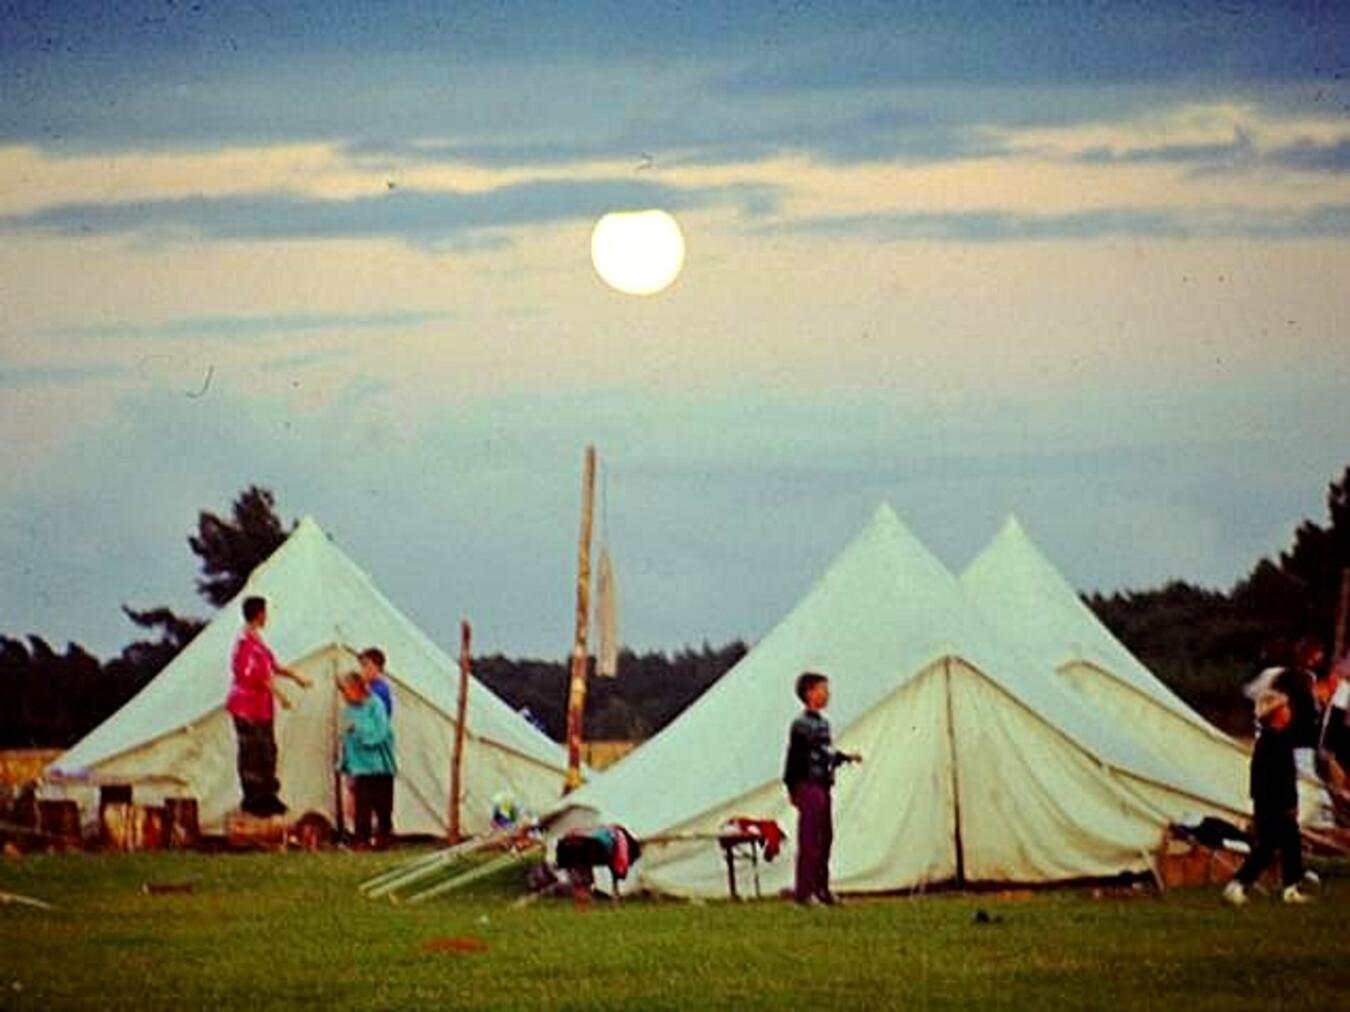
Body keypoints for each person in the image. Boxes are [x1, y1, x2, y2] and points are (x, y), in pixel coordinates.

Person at [1223, 689, 1312, 906]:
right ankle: (1239, 883)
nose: (1289, 712)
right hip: (1276, 804)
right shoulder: (1276, 742)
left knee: (1287, 843)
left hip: (1268, 803)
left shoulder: (1270, 741)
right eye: (1286, 708)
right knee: (1269, 847)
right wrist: (1289, 803)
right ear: (1277, 714)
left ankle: (1290, 885)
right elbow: (1282, 778)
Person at [226, 595, 311, 817]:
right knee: (252, 752)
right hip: (247, 706)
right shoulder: (245, 643)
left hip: (261, 708)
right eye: (265, 612)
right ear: (259, 614)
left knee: (267, 751)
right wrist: (281, 695)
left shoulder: (257, 641)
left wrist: (296, 677)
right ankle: (254, 800)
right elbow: (255, 676)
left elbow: (272, 666)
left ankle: (268, 796)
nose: (267, 616)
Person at [782, 671, 861, 906]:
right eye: (822, 689)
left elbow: (824, 753)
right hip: (807, 784)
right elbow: (806, 754)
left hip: (822, 783)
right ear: (809, 693)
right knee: (810, 840)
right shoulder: (801, 724)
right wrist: (792, 787)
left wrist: (842, 759)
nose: (827, 694)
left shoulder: (823, 723)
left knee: (824, 837)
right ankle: (804, 892)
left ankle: (821, 888)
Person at [337, 671, 397, 849]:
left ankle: (383, 838)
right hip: (360, 767)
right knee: (362, 806)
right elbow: (348, 740)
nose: (344, 696)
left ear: (357, 689)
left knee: (383, 806)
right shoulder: (349, 709)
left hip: (379, 766)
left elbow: (380, 732)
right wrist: (346, 765)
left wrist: (359, 729)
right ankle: (361, 840)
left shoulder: (375, 705)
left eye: (346, 691)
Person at [358, 647, 393, 717]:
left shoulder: (380, 690)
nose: (361, 670)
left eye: (365, 665)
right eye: (361, 666)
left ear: (376, 667)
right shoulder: (372, 686)